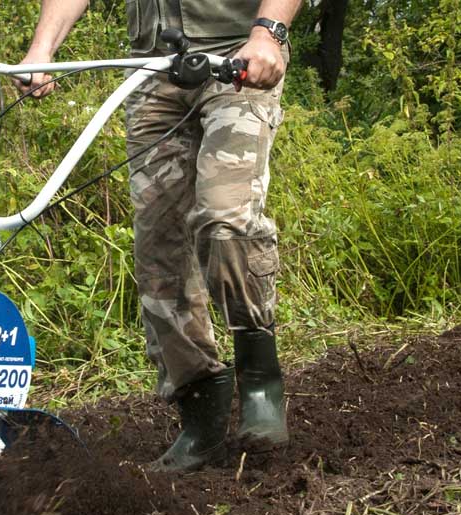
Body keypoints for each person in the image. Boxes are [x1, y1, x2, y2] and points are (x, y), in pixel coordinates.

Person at [18, 0, 299, 472]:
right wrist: (40, 51)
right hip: (154, 71)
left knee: (225, 219)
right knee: (159, 253)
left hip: (238, 59)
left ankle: (260, 381)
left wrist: (269, 32)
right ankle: (201, 413)